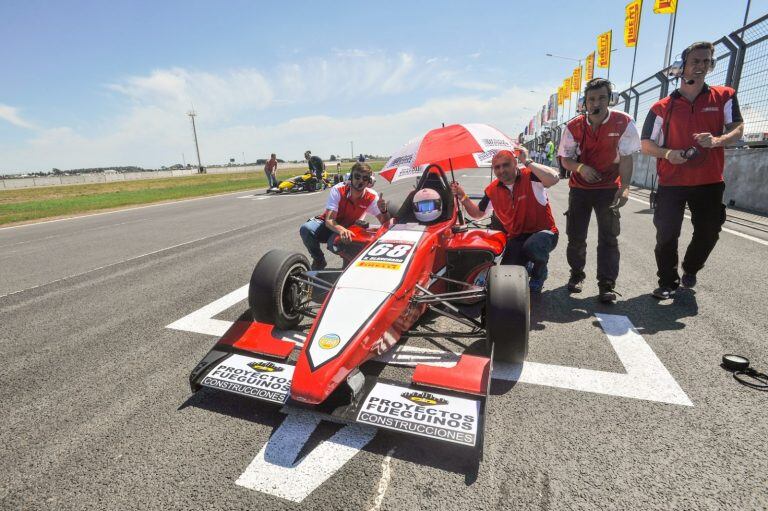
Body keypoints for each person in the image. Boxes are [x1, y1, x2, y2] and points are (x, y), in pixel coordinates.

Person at [641, 41, 744, 300]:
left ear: (712, 65)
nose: (701, 66)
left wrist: (718, 140)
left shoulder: (725, 96)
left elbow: (738, 128)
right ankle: (666, 281)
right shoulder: (661, 107)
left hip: (709, 180)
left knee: (709, 230)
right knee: (666, 233)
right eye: (695, 61)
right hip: (671, 181)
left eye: (706, 61)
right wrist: (667, 153)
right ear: (683, 65)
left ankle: (691, 267)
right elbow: (645, 144)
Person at [558, 77, 641, 303]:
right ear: (585, 102)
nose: (596, 103)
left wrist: (624, 188)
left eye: (602, 98)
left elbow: (626, 158)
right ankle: (576, 275)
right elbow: (565, 159)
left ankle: (606, 285)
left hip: (608, 189)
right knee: (576, 236)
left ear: (610, 99)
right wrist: (581, 167)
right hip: (580, 189)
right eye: (592, 99)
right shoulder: (573, 126)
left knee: (609, 237)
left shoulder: (624, 122)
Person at [451, 147, 560, 292]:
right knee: (506, 277)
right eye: (497, 167)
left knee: (533, 246)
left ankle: (539, 273)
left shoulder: (531, 176)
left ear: (515, 164)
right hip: (517, 238)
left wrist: (527, 161)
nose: (501, 170)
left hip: (544, 233)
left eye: (506, 165)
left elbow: (554, 178)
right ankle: (526, 262)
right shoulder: (492, 190)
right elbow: (477, 214)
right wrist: (462, 196)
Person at [299, 163, 389, 270]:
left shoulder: (372, 197)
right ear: (350, 177)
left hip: (350, 229)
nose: (360, 181)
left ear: (369, 181)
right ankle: (319, 260)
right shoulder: (338, 190)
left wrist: (384, 211)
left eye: (364, 178)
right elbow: (329, 220)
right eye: (357, 177)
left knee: (337, 243)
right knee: (306, 229)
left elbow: (385, 224)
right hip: (330, 224)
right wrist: (341, 230)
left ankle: (348, 265)